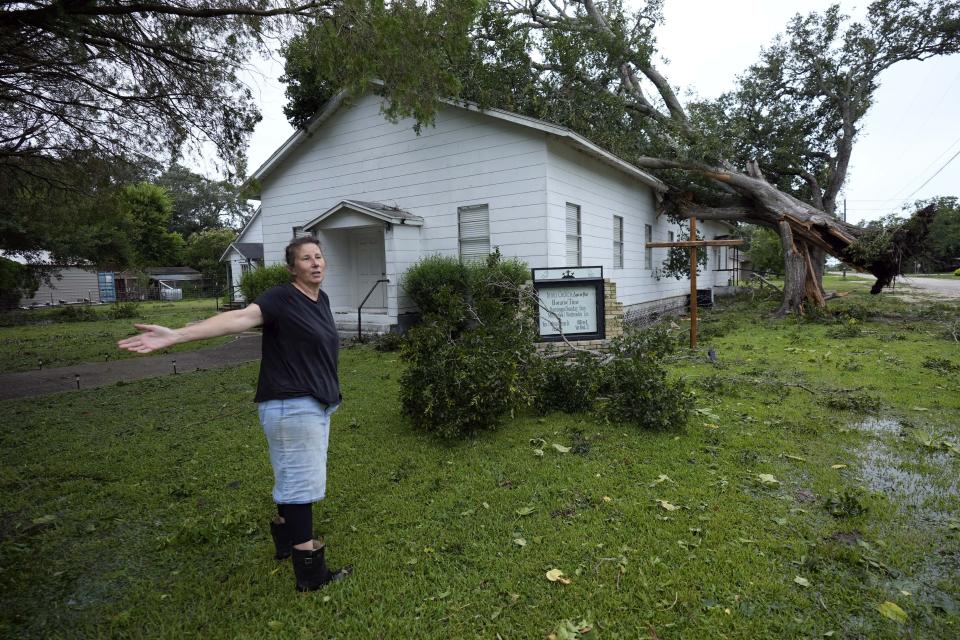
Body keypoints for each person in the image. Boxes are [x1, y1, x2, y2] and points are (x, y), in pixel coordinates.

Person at [117, 237, 351, 592]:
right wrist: (177, 335)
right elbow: (238, 318)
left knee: (291, 473)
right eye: (306, 258)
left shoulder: (321, 299)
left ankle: (286, 543)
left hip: (311, 403)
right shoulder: (280, 297)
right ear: (292, 268)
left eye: (319, 256)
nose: (316, 263)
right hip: (293, 404)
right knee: (301, 484)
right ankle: (311, 574)